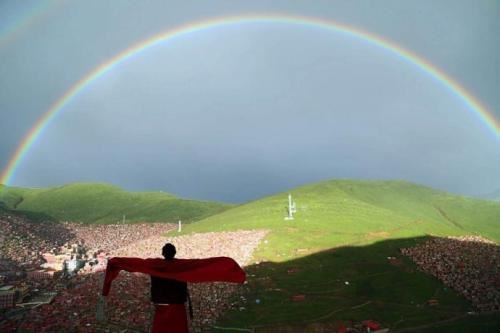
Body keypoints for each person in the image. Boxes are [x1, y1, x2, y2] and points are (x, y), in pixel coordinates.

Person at [101, 243, 246, 333]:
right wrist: (231, 269)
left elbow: (136, 263)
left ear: (163, 253)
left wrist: (115, 262)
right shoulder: (181, 265)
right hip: (177, 306)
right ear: (174, 253)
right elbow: (203, 265)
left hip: (161, 305)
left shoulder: (154, 264)